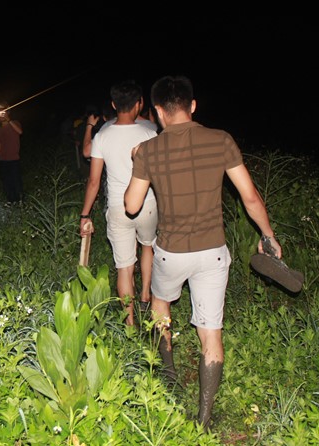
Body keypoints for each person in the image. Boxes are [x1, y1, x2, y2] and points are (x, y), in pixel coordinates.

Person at [124, 75, 283, 431]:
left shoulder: (149, 150)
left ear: (158, 111)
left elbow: (131, 206)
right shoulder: (221, 140)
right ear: (193, 105)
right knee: (211, 332)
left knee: (160, 304)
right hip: (213, 252)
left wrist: (137, 160)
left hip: (171, 252)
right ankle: (204, 418)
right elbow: (250, 197)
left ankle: (168, 379)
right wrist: (268, 235)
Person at [79, 80, 158, 327]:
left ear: (114, 105)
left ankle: (129, 323)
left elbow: (94, 181)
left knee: (124, 268)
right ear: (139, 104)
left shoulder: (102, 136)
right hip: (148, 204)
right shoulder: (150, 134)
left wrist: (85, 215)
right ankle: (145, 294)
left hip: (118, 206)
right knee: (147, 247)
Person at [0, 103, 23, 203]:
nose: (1, 115)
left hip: (14, 159)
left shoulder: (15, 123)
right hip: (3, 161)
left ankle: (20, 203)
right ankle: (10, 202)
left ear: (8, 112)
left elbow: (20, 132)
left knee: (16, 182)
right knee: (6, 183)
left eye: (2, 112)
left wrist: (9, 120)